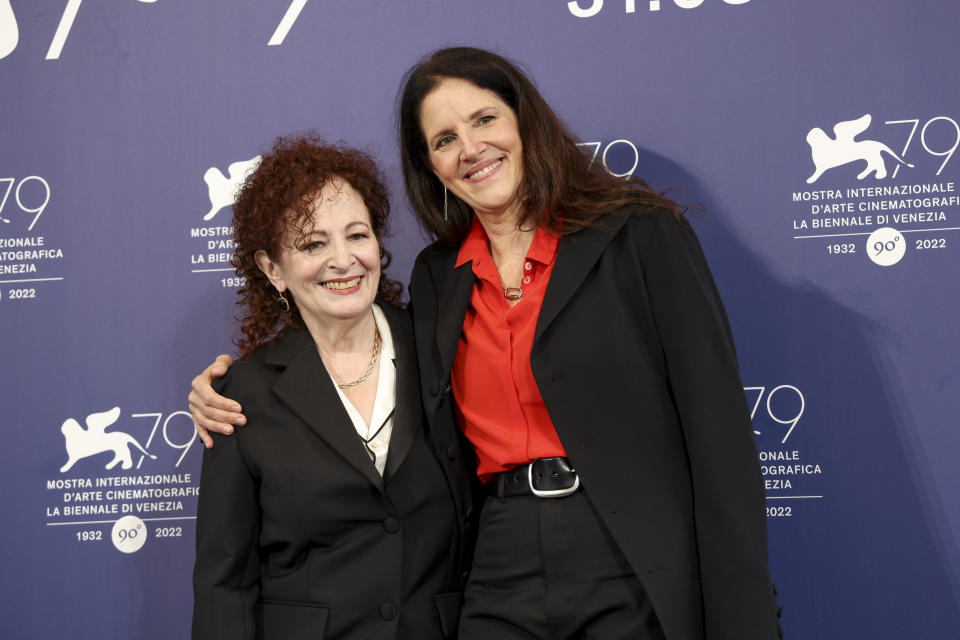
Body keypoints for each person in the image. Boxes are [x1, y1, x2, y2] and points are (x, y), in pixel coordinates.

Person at [192, 48, 783, 639]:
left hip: (628, 551)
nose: (470, 148)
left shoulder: (640, 238)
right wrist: (222, 386)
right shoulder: (438, 277)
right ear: (430, 166)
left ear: (524, 122)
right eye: (444, 139)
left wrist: (746, 621)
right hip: (499, 566)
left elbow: (719, 442)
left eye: (484, 120)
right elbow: (344, 350)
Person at [190, 135, 474, 640]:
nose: (344, 260)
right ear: (272, 269)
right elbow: (224, 583)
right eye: (313, 244)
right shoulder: (241, 395)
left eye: (357, 236)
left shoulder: (443, 348)